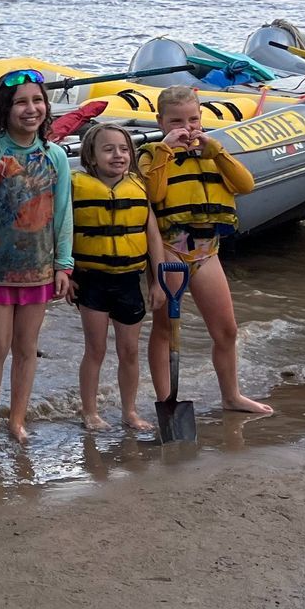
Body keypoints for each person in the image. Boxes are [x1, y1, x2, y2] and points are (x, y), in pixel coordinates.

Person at [139, 85, 273, 417]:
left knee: (226, 329)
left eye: (193, 119)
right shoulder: (151, 154)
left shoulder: (212, 152)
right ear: (160, 122)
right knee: (166, 330)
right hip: (169, 253)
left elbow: (245, 185)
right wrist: (165, 152)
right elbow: (153, 195)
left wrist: (218, 152)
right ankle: (166, 400)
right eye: (176, 122)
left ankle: (232, 396)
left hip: (207, 252)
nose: (187, 128)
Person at [0, 69, 73, 443]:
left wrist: (64, 264)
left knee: (26, 347)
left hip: (39, 268)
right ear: (5, 109)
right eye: (21, 103)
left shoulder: (55, 155)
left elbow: (63, 214)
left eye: (37, 100)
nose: (31, 109)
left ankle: (16, 420)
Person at [70, 123, 164, 433]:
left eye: (124, 149)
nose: (118, 155)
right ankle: (90, 412)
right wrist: (67, 274)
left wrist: (157, 280)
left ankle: (130, 411)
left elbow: (152, 237)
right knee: (95, 349)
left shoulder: (138, 186)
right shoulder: (76, 186)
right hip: (92, 281)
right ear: (92, 157)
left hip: (128, 282)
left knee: (129, 351)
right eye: (108, 149)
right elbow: (62, 233)